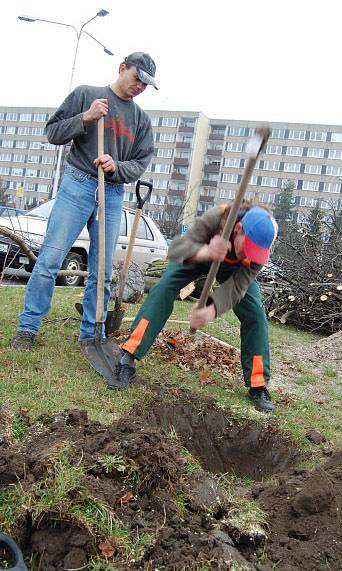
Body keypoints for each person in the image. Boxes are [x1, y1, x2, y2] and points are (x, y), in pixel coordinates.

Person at [11, 52, 157, 351]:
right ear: (122, 68)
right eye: (137, 79)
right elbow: (52, 132)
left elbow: (141, 160)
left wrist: (117, 166)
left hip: (112, 192)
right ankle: (28, 328)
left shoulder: (141, 120)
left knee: (102, 271)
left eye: (146, 85)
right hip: (77, 183)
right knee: (50, 260)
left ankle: (92, 334)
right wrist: (85, 118)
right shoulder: (87, 95)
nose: (139, 87)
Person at [113, 202, 278, 413]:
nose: (250, 256)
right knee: (163, 289)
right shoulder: (216, 217)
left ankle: (258, 385)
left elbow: (237, 287)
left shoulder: (259, 248)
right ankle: (128, 357)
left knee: (255, 313)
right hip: (197, 256)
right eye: (248, 248)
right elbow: (176, 250)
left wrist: (211, 310)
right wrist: (206, 252)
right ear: (238, 230)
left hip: (234, 271)